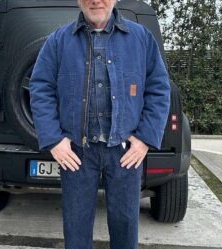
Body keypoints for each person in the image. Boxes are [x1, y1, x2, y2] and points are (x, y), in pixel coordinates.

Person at [29, 0, 171, 248]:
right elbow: (40, 88)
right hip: (76, 153)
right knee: (75, 227)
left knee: (126, 226)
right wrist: (54, 139)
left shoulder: (140, 39)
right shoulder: (59, 41)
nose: (96, 1)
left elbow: (159, 89)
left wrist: (145, 139)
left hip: (125, 152)